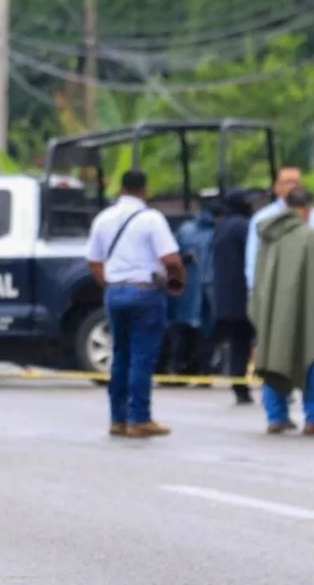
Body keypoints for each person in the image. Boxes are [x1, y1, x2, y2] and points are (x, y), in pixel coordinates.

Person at [85, 170, 185, 438]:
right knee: (142, 357)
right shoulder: (151, 219)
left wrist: (112, 284)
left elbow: (93, 261)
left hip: (115, 293)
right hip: (144, 293)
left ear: (120, 189)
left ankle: (118, 419)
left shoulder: (103, 219)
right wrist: (177, 283)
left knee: (120, 356)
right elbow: (171, 259)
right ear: (145, 190)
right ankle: (139, 418)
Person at [249, 187, 314, 435]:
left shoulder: (267, 237)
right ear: (307, 209)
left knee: (274, 358)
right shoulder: (313, 239)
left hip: (273, 312)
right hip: (307, 312)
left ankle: (276, 416)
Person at [245, 166, 314, 292]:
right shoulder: (263, 218)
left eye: (296, 182)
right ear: (277, 187)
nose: (293, 186)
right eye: (288, 182)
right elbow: (253, 256)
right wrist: (255, 288)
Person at [212, 189, 257, 404]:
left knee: (237, 342)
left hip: (224, 296)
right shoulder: (243, 227)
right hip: (242, 295)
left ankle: (239, 384)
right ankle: (247, 386)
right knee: (245, 341)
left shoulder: (221, 227)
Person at [166, 202, 216, 381]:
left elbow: (172, 255)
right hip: (208, 287)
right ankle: (203, 371)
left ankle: (176, 368)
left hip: (186, 287)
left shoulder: (186, 229)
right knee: (205, 332)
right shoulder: (216, 230)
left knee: (181, 329)